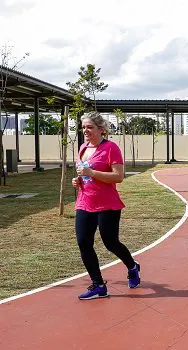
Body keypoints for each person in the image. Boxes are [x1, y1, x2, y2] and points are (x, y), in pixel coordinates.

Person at [72, 111, 140, 300]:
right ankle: (99, 285)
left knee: (111, 243)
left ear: (101, 130)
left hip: (107, 204)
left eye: (90, 127)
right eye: (84, 127)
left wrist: (91, 173)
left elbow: (118, 177)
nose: (85, 130)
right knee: (83, 243)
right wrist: (78, 181)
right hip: (85, 201)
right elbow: (84, 174)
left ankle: (132, 266)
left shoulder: (111, 148)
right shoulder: (83, 148)